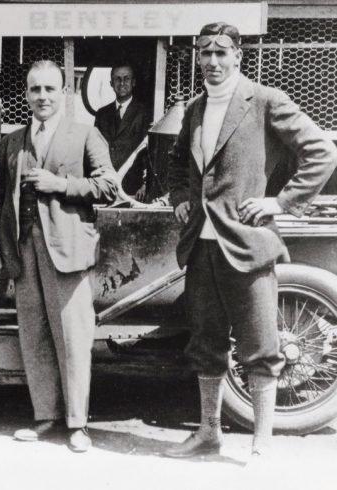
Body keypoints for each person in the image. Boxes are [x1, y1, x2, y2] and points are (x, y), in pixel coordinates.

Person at [166, 22, 337, 459]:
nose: (213, 61)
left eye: (221, 52)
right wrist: (181, 197)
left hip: (248, 246)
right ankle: (208, 433)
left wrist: (280, 202)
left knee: (260, 347)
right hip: (201, 246)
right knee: (205, 345)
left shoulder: (265, 101)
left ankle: (261, 444)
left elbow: (322, 152)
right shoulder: (195, 108)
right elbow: (178, 161)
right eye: (205, 52)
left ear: (238, 56)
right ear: (197, 57)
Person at [0, 60, 118, 452]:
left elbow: (109, 186)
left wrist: (59, 185)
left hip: (68, 250)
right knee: (35, 335)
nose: (42, 96)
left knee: (73, 338)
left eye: (49, 89)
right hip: (22, 251)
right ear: (26, 95)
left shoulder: (85, 134)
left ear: (64, 92)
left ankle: (78, 424)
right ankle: (45, 417)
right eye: (35, 89)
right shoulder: (12, 141)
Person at [94, 63, 150, 198]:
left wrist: (145, 184)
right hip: (107, 186)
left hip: (134, 189)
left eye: (127, 78)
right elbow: (95, 150)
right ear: (111, 83)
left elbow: (148, 153)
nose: (122, 83)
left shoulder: (145, 113)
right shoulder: (102, 114)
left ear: (134, 82)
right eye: (117, 79)